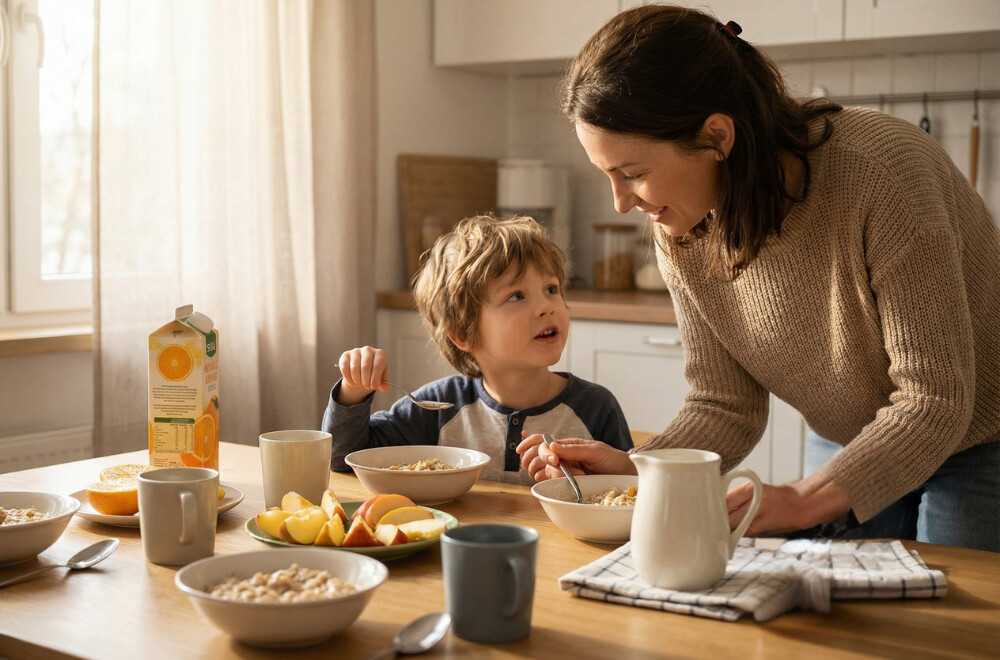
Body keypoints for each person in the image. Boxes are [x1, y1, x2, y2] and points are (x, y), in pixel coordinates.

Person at [517, 5, 1000, 551]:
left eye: (634, 174)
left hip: (982, 442)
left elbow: (933, 399)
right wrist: (637, 469)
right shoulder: (681, 225)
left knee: (952, 628)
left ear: (717, 136)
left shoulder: (881, 172)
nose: (622, 202)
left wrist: (801, 498)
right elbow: (725, 403)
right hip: (855, 442)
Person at [323, 214, 633, 485]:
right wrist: (353, 391)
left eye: (551, 289)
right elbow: (343, 458)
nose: (547, 307)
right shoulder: (436, 408)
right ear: (463, 334)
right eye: (516, 296)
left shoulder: (596, 408)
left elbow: (633, 495)